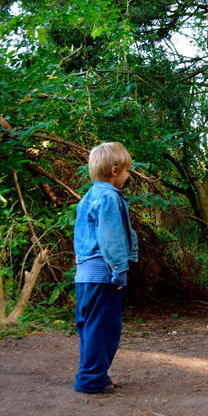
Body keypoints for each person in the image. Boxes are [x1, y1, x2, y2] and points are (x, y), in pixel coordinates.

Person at [72, 141, 137, 395]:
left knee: (90, 327)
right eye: (127, 171)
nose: (128, 176)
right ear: (114, 170)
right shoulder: (110, 197)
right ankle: (90, 380)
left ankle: (95, 374)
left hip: (85, 276)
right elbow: (111, 237)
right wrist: (119, 269)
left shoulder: (87, 197)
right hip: (103, 274)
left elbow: (79, 237)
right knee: (105, 329)